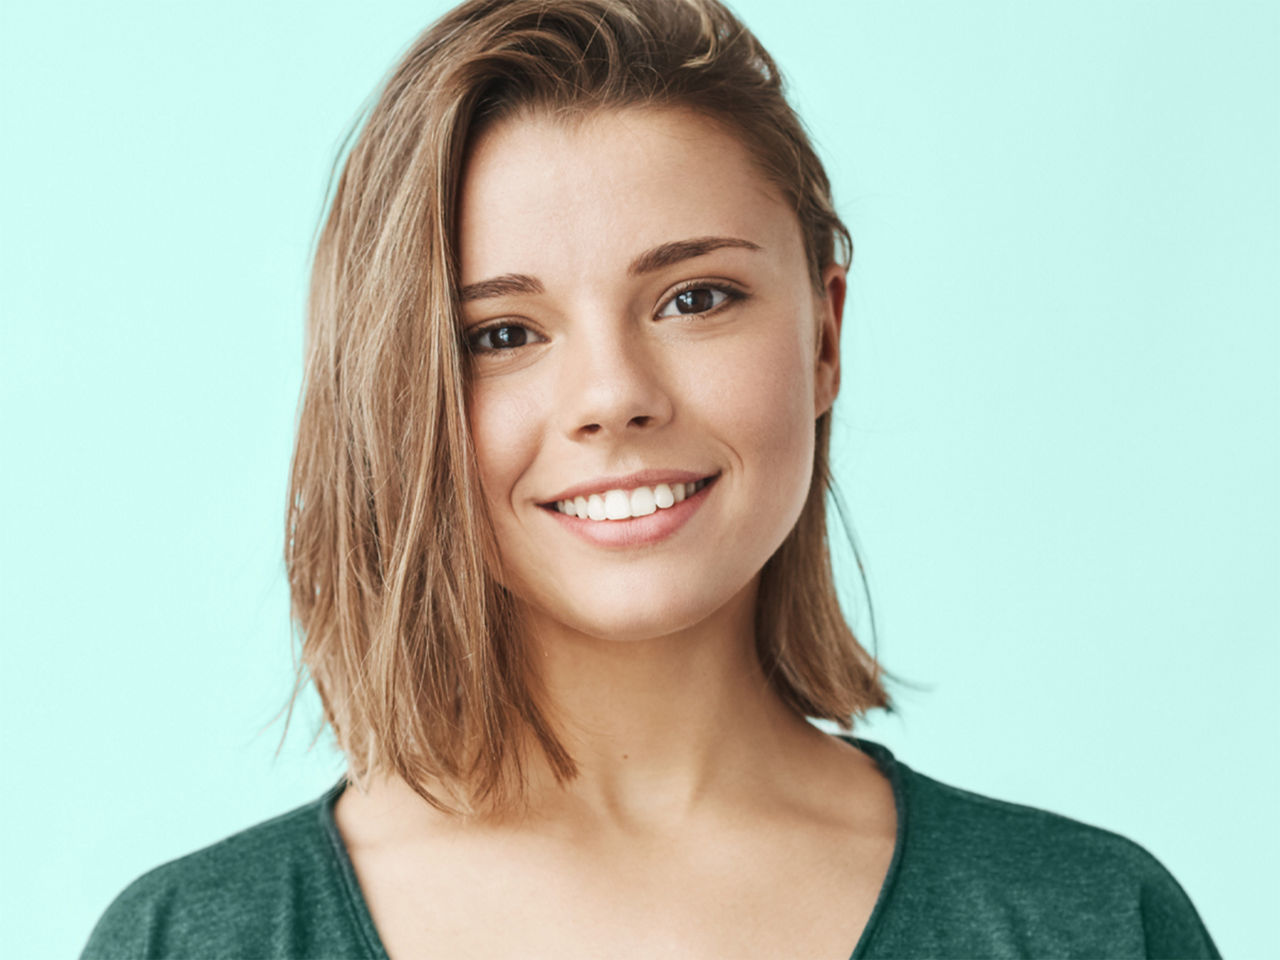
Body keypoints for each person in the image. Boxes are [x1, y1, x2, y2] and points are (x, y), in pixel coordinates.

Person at [80, 1, 1220, 957]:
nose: (611, 394)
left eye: (694, 299)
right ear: (397, 393)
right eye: (499, 333)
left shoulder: (1088, 922)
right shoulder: (192, 940)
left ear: (823, 337)